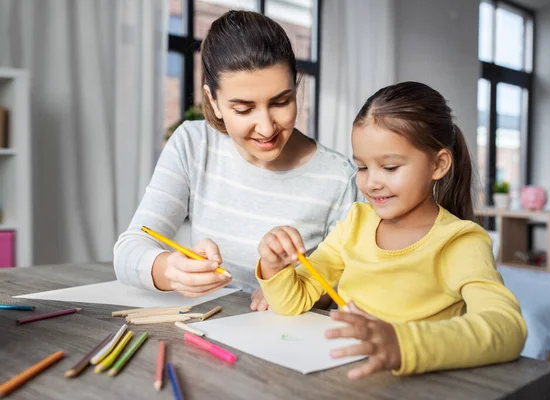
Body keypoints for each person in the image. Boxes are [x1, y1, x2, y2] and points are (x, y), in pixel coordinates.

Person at [256, 82, 527, 379]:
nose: (371, 182)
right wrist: (275, 268)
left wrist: (402, 344)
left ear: (438, 164)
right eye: (361, 167)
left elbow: (507, 328)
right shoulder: (355, 223)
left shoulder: (458, 242)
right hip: (344, 377)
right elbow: (293, 302)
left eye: (390, 167)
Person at [113, 10, 359, 304]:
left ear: (296, 86)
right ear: (213, 101)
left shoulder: (338, 177)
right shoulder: (194, 144)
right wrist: (171, 270)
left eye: (281, 102)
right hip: (206, 331)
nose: (267, 128)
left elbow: (343, 289)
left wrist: (286, 287)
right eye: (243, 109)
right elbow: (129, 249)